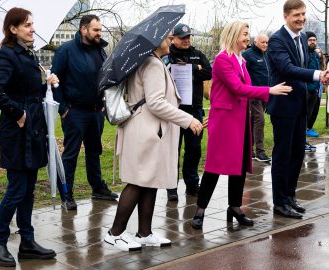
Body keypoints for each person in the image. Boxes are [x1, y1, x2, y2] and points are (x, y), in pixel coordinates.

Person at [106, 31, 202, 250]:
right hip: (147, 131)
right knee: (138, 182)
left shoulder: (149, 61)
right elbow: (156, 103)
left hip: (147, 129)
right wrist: (188, 120)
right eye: (167, 38)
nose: (170, 41)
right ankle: (115, 233)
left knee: (149, 181)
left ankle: (144, 232)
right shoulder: (153, 64)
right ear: (155, 40)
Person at [191, 22, 291, 229]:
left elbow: (247, 86)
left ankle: (235, 208)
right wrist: (269, 91)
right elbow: (238, 88)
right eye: (245, 34)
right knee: (214, 167)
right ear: (234, 35)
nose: (248, 37)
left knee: (238, 166)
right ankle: (200, 210)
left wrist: (266, 89)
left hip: (239, 119)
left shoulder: (240, 60)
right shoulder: (222, 59)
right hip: (225, 121)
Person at [0, 7, 60, 268]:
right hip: (16, 133)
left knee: (28, 190)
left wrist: (45, 85)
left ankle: (27, 242)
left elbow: (27, 93)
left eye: (32, 23)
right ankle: (0, 243)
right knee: (16, 189)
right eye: (27, 25)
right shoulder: (7, 55)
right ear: (13, 29)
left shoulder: (28, 56)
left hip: (33, 131)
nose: (32, 28)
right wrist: (17, 112)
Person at [267, 0, 329, 219]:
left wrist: (320, 77)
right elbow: (287, 68)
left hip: (300, 103)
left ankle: (290, 197)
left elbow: (304, 66)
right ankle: (279, 201)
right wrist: (317, 75)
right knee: (282, 154)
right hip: (283, 105)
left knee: (297, 153)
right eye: (297, 15)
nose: (302, 19)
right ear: (286, 16)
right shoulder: (277, 40)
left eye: (303, 14)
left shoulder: (303, 38)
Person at [50, 13, 118, 210]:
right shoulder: (66, 51)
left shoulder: (101, 50)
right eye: (96, 30)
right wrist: (63, 109)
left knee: (94, 151)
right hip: (74, 112)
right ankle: (66, 193)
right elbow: (55, 82)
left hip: (96, 111)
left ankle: (97, 188)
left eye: (100, 30)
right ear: (83, 29)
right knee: (70, 154)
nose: (99, 33)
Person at [166, 23, 212, 201]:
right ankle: (171, 186)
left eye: (188, 37)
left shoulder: (197, 53)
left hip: (194, 110)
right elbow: (168, 73)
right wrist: (195, 69)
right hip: (174, 110)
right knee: (173, 149)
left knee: (194, 149)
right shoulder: (167, 55)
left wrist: (191, 69)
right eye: (182, 38)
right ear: (173, 39)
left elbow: (208, 72)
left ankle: (192, 185)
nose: (186, 40)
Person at [241, 33, 272, 162]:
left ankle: (249, 150)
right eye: (263, 42)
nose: (265, 45)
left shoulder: (266, 55)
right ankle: (260, 151)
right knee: (260, 120)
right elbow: (242, 74)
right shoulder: (247, 55)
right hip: (253, 94)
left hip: (265, 93)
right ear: (255, 42)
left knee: (253, 121)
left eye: (267, 42)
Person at [304, 32, 325, 149]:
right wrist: (307, 87)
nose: (312, 42)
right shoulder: (304, 54)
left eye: (314, 40)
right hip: (306, 89)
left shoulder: (316, 55)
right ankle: (301, 142)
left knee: (309, 116)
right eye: (310, 40)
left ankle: (304, 141)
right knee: (303, 116)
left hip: (315, 90)